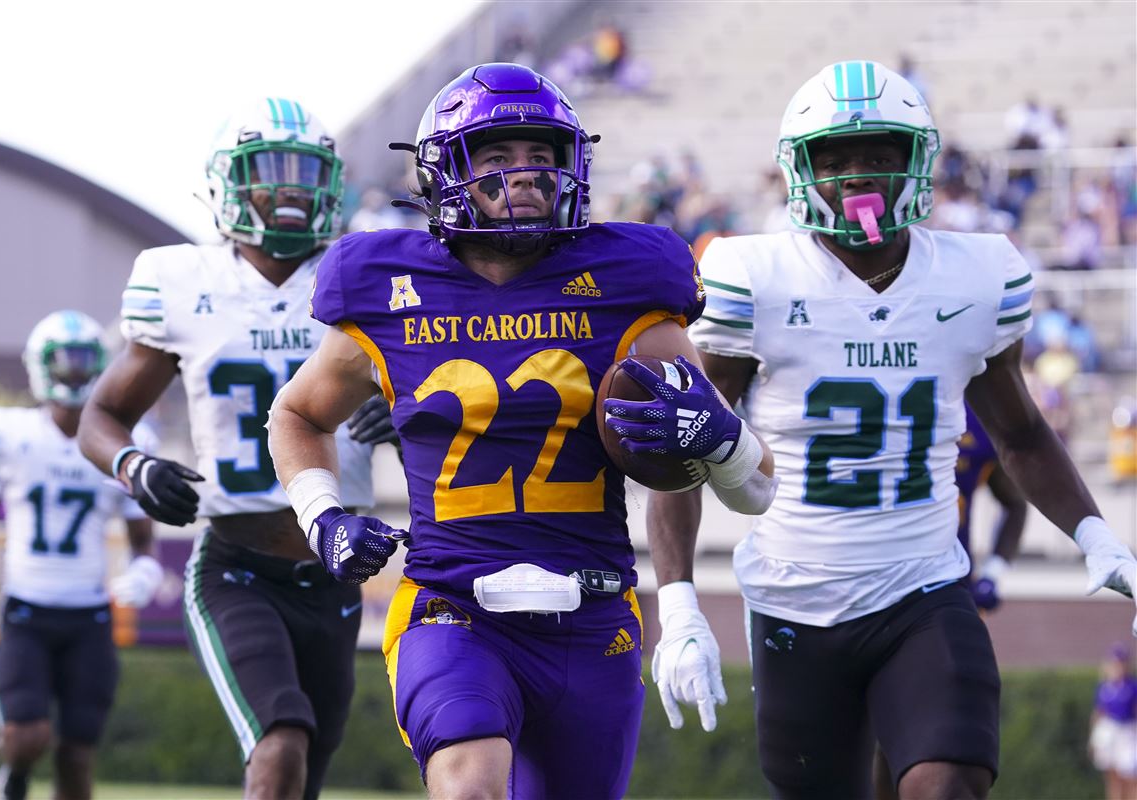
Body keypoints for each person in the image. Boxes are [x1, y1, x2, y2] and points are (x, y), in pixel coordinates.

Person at [266, 62, 773, 800]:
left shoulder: (630, 278)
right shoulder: (384, 283)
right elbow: (297, 414)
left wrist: (717, 440)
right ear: (444, 174)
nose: (527, 176)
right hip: (452, 605)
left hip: (593, 614)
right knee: (470, 785)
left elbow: (756, 489)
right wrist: (324, 517)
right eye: (497, 157)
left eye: (542, 157)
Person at [642, 60, 1137, 800]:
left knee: (947, 783)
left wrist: (1096, 534)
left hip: (925, 589)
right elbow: (686, 446)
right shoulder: (755, 276)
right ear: (798, 170)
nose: (858, 173)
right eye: (834, 158)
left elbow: (1021, 432)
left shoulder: (977, 277)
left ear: (918, 160)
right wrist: (677, 601)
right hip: (795, 599)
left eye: (880, 152)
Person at [78, 98, 393, 800]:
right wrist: (136, 466)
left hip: (335, 576)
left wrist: (404, 411)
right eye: (271, 171)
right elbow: (101, 414)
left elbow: (445, 382)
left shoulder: (363, 275)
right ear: (228, 183)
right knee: (280, 745)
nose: (290, 189)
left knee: (303, 775)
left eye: (305, 171)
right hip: (235, 569)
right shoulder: (183, 283)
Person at [0, 310, 160, 800]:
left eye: (85, 361)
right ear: (42, 366)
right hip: (28, 611)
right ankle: (14, 777)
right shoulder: (11, 434)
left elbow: (142, 538)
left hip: (89, 614)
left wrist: (144, 568)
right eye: (65, 361)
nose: (76, 372)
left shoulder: (119, 442)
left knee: (77, 753)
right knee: (26, 738)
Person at [955, 404, 1027, 612]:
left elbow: (1014, 503)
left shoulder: (978, 420)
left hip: (952, 580)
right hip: (880, 574)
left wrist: (993, 571)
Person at [1090, 643, 1137, 800]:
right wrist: (1094, 739)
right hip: (1109, 731)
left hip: (1128, 730)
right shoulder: (1104, 687)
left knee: (1130, 775)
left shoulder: (1132, 686)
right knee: (1112, 775)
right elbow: (1099, 713)